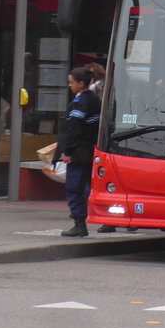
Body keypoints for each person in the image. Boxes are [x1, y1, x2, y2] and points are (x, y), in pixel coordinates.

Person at [54, 67, 100, 237]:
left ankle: (79, 223)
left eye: (71, 82)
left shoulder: (81, 103)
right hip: (91, 151)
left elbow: (74, 129)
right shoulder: (96, 100)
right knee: (89, 186)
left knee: (74, 187)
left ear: (81, 84)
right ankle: (98, 220)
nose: (69, 85)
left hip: (79, 152)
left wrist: (67, 151)